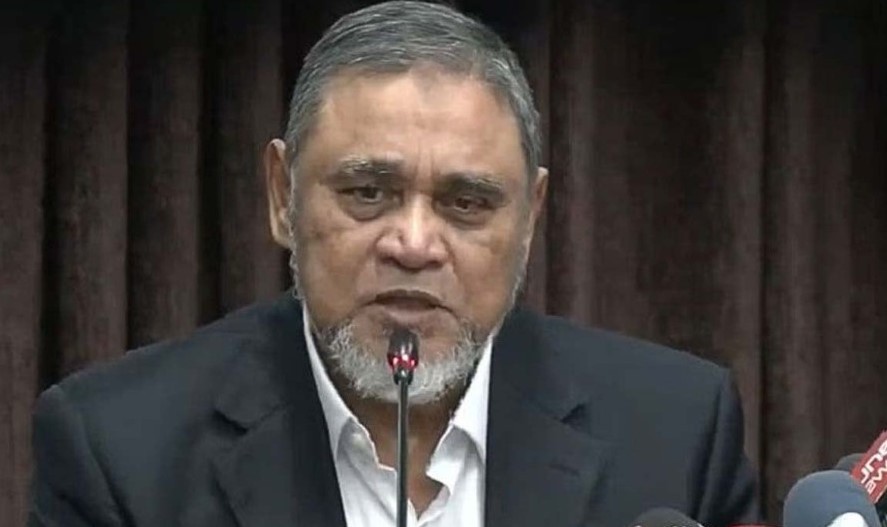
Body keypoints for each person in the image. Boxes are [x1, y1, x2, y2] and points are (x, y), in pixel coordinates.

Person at [29, 2, 761, 526]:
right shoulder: (118, 451)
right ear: (283, 197)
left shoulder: (676, 434)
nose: (413, 244)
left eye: (466, 203)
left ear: (530, 218)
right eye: (367, 193)